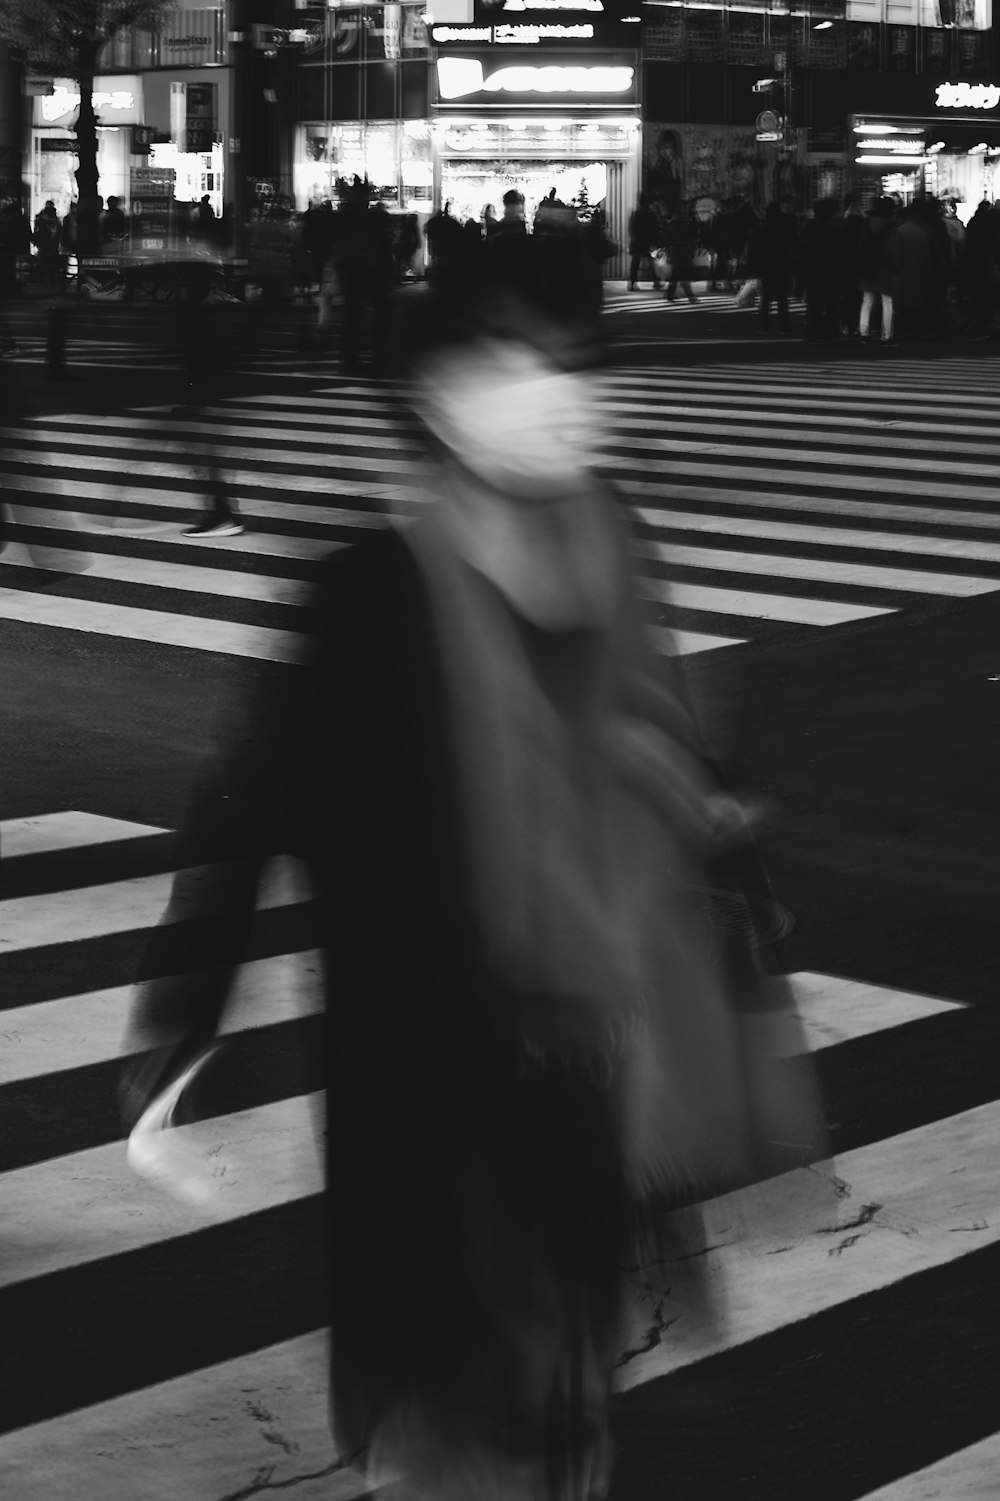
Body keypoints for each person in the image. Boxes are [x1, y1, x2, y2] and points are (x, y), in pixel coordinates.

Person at [120, 238, 827, 1501]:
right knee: (453, 1401)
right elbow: (244, 806)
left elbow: (675, 745)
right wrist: (180, 1023)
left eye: (569, 359)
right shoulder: (367, 593)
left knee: (567, 1386)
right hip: (432, 1064)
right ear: (439, 394)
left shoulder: (611, 551)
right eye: (516, 360)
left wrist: (738, 865)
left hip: (595, 1060)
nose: (554, 388)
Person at [747, 200, 797, 334]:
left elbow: (752, 251)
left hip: (765, 268)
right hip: (782, 267)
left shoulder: (758, 231)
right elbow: (790, 251)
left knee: (766, 298)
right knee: (782, 299)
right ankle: (784, 326)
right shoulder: (785, 231)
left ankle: (765, 326)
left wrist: (751, 268)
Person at [857, 196, 898, 346]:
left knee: (867, 300)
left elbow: (861, 244)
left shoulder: (866, 223)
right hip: (884, 268)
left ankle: (864, 333)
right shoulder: (890, 227)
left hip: (868, 266)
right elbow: (892, 250)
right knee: (887, 301)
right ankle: (887, 335)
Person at [663, 202, 699, 304]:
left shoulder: (673, 224)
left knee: (676, 274)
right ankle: (690, 296)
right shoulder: (686, 224)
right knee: (683, 274)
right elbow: (691, 238)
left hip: (676, 251)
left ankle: (671, 295)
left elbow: (667, 239)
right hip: (683, 251)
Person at [627, 194, 663, 291]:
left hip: (637, 241)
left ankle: (632, 283)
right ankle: (656, 281)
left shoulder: (635, 214)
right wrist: (657, 242)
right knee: (652, 262)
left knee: (635, 262)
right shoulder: (651, 214)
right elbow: (654, 229)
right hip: (647, 242)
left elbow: (631, 228)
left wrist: (633, 238)